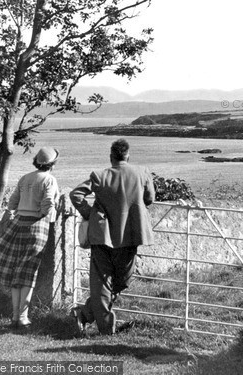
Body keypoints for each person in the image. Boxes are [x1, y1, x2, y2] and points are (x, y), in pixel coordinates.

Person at [69, 138, 155, 335]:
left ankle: (85, 314)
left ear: (111, 157)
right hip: (130, 233)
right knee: (122, 279)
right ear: (127, 155)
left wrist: (89, 213)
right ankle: (106, 330)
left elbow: (75, 195)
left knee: (103, 283)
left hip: (103, 235)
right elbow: (149, 199)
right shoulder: (142, 172)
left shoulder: (99, 175)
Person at [0, 147, 60, 329]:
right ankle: (23, 318)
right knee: (28, 274)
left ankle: (15, 316)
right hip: (36, 227)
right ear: (53, 164)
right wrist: (46, 212)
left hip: (18, 224)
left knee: (16, 274)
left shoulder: (25, 178)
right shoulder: (49, 179)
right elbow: (47, 204)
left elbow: (12, 202)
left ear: (37, 161)